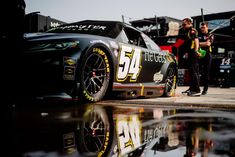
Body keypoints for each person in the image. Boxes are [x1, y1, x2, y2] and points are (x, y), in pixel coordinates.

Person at [180, 18, 201, 96]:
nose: (183, 26)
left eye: (184, 24)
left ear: (189, 23)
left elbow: (196, 41)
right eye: (182, 24)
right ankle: (192, 88)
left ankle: (197, 90)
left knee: (194, 72)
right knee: (192, 72)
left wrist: (195, 51)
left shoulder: (192, 31)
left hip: (193, 54)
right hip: (190, 53)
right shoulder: (188, 31)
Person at [198, 22, 214, 95]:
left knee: (206, 73)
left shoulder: (210, 35)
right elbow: (193, 43)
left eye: (203, 27)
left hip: (207, 55)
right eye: (201, 27)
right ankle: (195, 88)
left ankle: (205, 89)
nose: (202, 29)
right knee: (197, 72)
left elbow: (208, 44)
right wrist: (201, 43)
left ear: (207, 27)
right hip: (199, 54)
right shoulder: (198, 35)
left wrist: (198, 44)